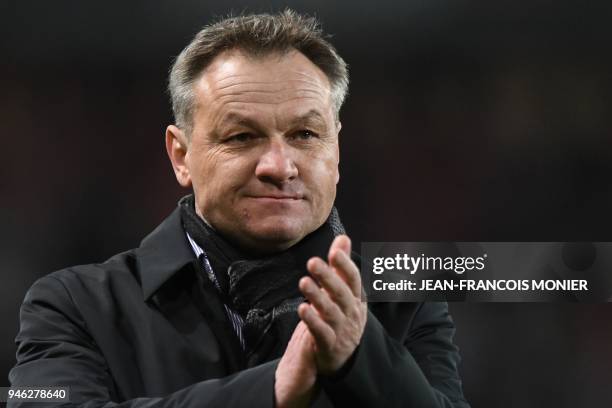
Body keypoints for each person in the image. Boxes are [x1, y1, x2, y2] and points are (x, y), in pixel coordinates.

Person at [9, 10, 470, 408]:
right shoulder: (73, 306)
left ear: (337, 149)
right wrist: (271, 390)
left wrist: (360, 357)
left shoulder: (402, 303)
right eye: (241, 137)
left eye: (305, 135)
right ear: (180, 156)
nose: (279, 165)